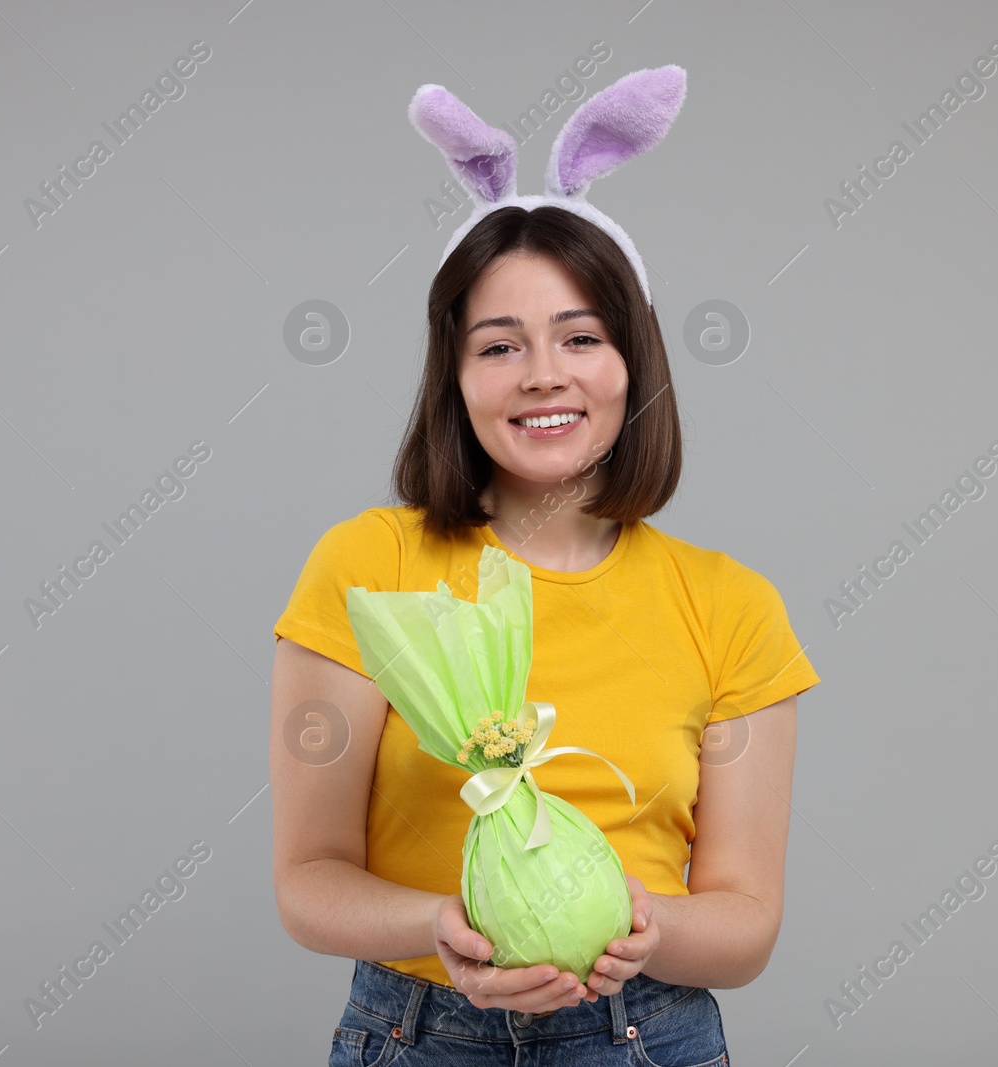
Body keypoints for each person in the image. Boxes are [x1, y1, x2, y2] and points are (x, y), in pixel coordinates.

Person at [271, 68, 819, 1066]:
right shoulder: (369, 567)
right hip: (420, 1031)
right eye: (498, 344)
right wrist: (442, 922)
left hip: (645, 1033)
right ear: (455, 372)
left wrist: (643, 925)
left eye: (581, 336)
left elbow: (745, 922)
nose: (543, 374)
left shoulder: (731, 605)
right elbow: (308, 878)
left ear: (633, 361)